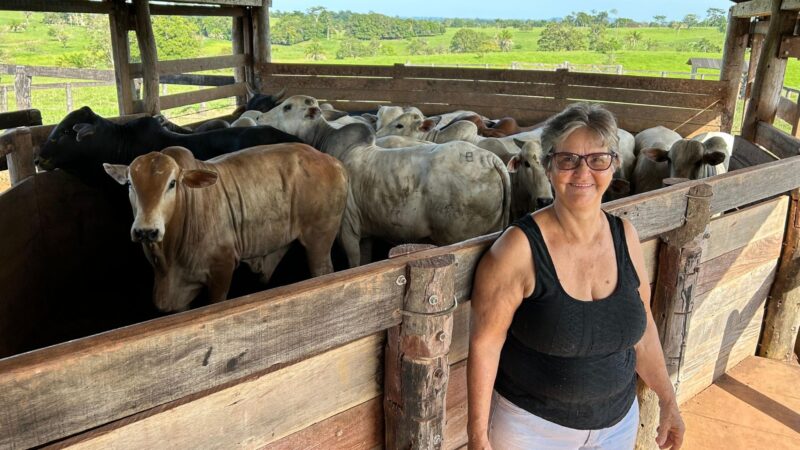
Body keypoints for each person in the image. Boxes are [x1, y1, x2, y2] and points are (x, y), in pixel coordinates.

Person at [467, 102, 685, 450]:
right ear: (548, 166)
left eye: (597, 159)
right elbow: (485, 343)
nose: (582, 173)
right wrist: (477, 435)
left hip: (617, 426)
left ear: (613, 166)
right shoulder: (518, 249)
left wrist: (668, 399)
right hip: (531, 431)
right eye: (568, 159)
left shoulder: (624, 235)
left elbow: (642, 328)